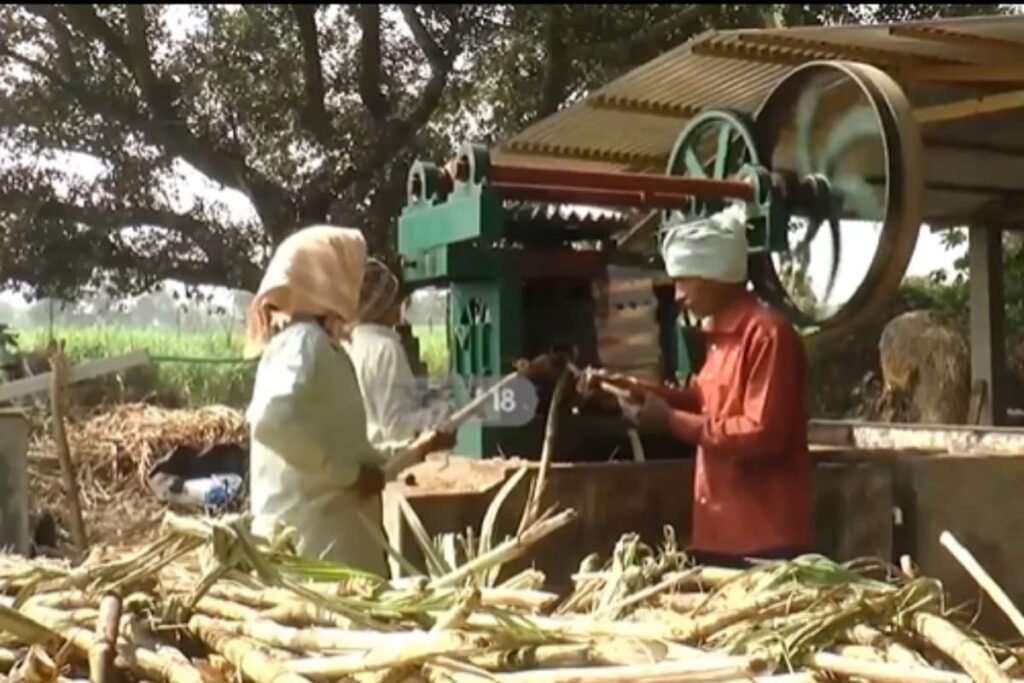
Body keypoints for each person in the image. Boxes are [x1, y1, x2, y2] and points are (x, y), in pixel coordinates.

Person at [596, 204, 814, 568]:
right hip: (720, 529)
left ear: (714, 276)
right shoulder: (720, 338)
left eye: (685, 280)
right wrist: (635, 388)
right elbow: (701, 401)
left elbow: (761, 434)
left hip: (764, 537)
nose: (677, 294)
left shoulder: (767, 334)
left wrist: (669, 420)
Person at [243, 225, 455, 575]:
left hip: (327, 552)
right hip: (316, 557)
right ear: (328, 280)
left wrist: (419, 448)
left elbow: (346, 448)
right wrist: (349, 475)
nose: (358, 288)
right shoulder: (303, 343)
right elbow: (272, 421)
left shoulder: (321, 346)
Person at [344, 259, 450, 449]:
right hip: (388, 462)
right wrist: (442, 411)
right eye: (396, 300)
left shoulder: (353, 345)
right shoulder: (386, 350)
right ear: (386, 305)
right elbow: (397, 427)